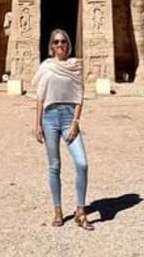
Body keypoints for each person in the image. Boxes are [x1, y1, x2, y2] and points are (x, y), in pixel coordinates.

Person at [32, 29, 93, 230]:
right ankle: (58, 210)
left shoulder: (75, 66)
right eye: (56, 42)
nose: (60, 45)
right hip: (49, 117)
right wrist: (37, 123)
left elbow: (79, 95)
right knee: (54, 166)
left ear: (68, 44)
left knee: (82, 164)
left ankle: (80, 210)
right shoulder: (46, 67)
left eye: (63, 42)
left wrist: (76, 121)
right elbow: (40, 97)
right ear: (51, 46)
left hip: (69, 117)